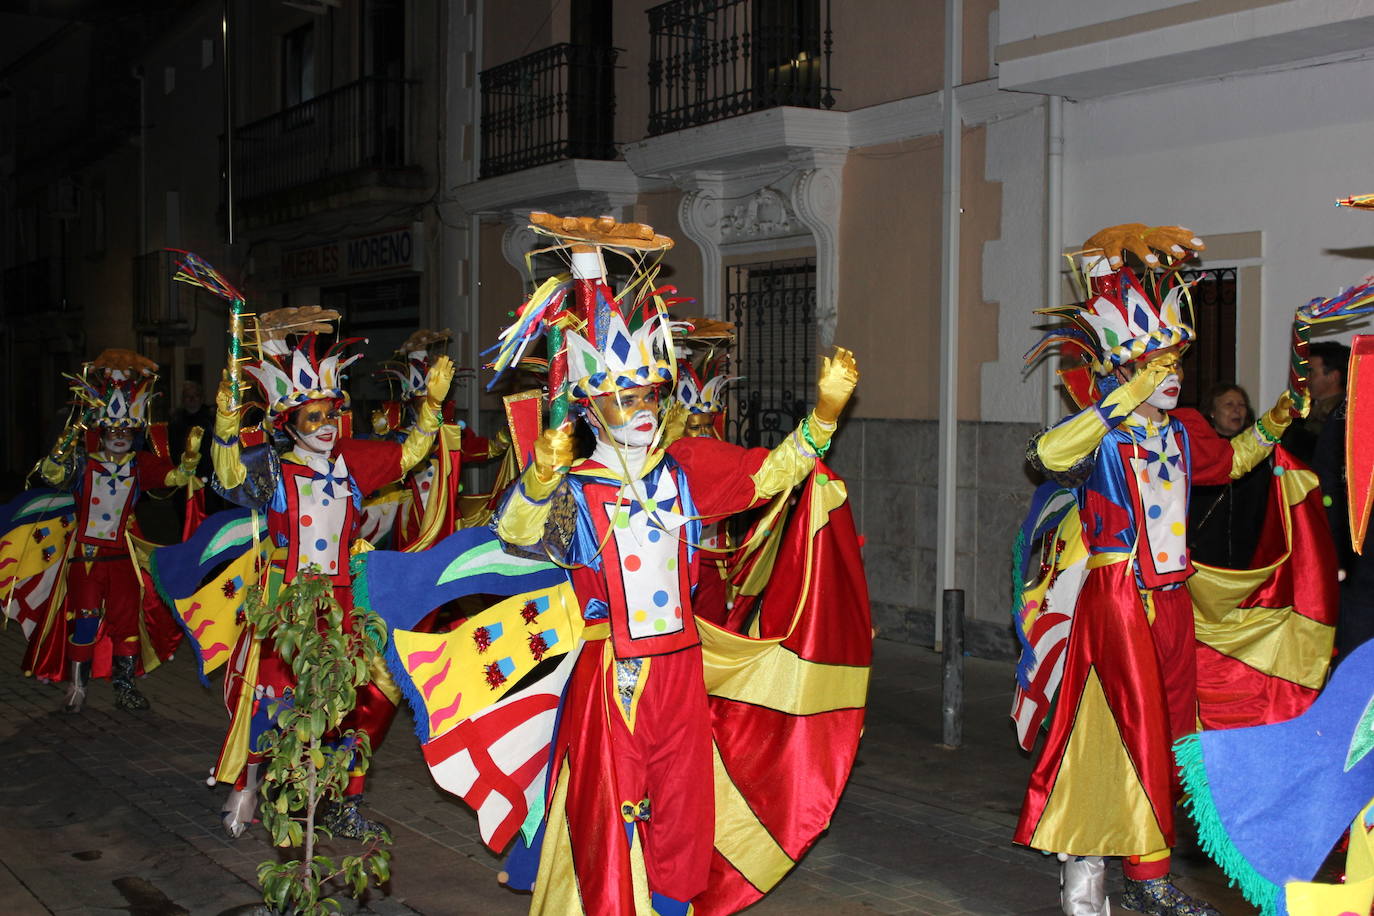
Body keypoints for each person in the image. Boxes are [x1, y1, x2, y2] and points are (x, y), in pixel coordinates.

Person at [491, 214, 860, 914]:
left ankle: (673, 906)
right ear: (591, 405)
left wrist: (823, 417)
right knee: (610, 813)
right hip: (615, 676)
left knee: (685, 809)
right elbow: (516, 533)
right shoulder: (576, 486)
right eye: (622, 397)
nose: (639, 409)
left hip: (682, 665)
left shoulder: (687, 468)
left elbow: (771, 475)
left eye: (648, 394)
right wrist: (538, 477)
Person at [1013, 224, 1303, 916]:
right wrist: (1116, 397)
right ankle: (1143, 879)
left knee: (1172, 732)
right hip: (1119, 601)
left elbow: (1229, 463)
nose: (1171, 376)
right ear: (1122, 368)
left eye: (1175, 364)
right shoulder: (1101, 434)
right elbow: (1045, 456)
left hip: (1173, 600)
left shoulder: (1182, 432)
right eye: (1156, 365)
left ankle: (1117, 868)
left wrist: (1279, 421)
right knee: (1133, 728)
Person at [209, 306, 453, 838]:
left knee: (344, 703)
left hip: (342, 603)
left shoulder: (353, 462)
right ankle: (250, 783)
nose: (324, 426)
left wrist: (431, 405)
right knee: (274, 698)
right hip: (287, 602)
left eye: (330, 414)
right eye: (311, 417)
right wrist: (226, 426)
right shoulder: (273, 468)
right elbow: (227, 475)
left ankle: (341, 801)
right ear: (288, 422)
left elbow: (411, 453)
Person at [29, 349, 201, 713]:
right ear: (101, 431)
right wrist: (58, 454)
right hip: (86, 558)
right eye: (113, 429)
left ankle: (125, 688)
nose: (120, 435)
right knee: (86, 621)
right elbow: (52, 476)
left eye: (126, 429)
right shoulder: (83, 463)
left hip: (122, 558)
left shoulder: (139, 465)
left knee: (126, 625)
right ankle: (77, 686)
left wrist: (188, 462)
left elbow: (174, 479)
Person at [1187, 382, 1270, 569]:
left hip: (1247, 553)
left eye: (1241, 405)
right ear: (1212, 412)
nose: (1237, 411)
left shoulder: (1257, 455)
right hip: (1205, 552)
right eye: (1229, 405)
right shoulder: (1200, 452)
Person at [1282, 340, 1349, 463]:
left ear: (1333, 377)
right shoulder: (1299, 412)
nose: (1304, 378)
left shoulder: (1345, 416)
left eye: (1310, 371)